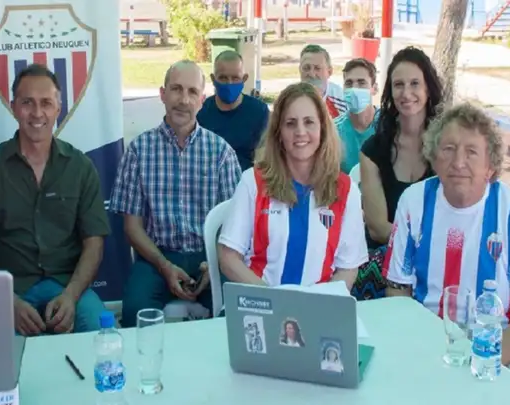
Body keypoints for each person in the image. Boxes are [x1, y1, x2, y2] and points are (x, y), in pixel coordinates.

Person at [383, 102, 510, 389]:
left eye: (471, 152)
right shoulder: (413, 203)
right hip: (429, 339)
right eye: (448, 149)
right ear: (434, 158)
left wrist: (482, 361)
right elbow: (397, 289)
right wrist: (418, 345)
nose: (458, 162)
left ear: (490, 166)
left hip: (502, 345)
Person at [0, 64, 110, 336]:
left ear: (58, 109)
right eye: (27, 103)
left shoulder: (80, 167)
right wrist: (8, 302)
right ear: (13, 107)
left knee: (100, 338)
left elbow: (94, 242)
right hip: (12, 290)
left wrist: (71, 296)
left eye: (46, 103)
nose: (37, 113)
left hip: (68, 286)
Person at [109, 60, 241, 328]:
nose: (184, 100)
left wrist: (212, 264)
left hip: (209, 256)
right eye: (176, 89)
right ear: (162, 94)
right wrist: (164, 266)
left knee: (235, 309)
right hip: (157, 256)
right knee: (134, 310)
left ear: (202, 100)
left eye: (192, 92)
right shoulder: (139, 151)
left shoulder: (221, 153)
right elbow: (132, 228)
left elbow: (235, 224)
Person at [217, 83, 367, 291]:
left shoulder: (347, 190)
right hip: (262, 301)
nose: (300, 132)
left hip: (319, 304)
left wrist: (322, 303)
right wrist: (273, 300)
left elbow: (347, 269)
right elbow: (228, 257)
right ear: (278, 132)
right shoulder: (253, 182)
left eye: (309, 122)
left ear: (323, 129)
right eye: (290, 123)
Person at [355, 47, 442, 300]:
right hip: (386, 260)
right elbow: (377, 229)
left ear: (428, 89)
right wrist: (423, 247)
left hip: (438, 260)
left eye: (415, 83)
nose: (406, 93)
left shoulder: (446, 148)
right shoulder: (373, 151)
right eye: (398, 85)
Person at [197, 50, 270, 171]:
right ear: (213, 79)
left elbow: (264, 157)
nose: (229, 83)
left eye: (235, 78)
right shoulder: (201, 111)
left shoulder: (259, 112)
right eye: (223, 78)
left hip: (246, 178)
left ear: (244, 79)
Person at [335, 58, 378, 174]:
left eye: (361, 83)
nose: (354, 89)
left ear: (374, 89)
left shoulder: (389, 124)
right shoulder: (334, 131)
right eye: (349, 83)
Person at [298, 44, 346, 119]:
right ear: (300, 70)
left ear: (329, 72)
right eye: (306, 68)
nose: (312, 74)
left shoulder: (341, 100)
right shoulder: (290, 100)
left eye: (317, 68)